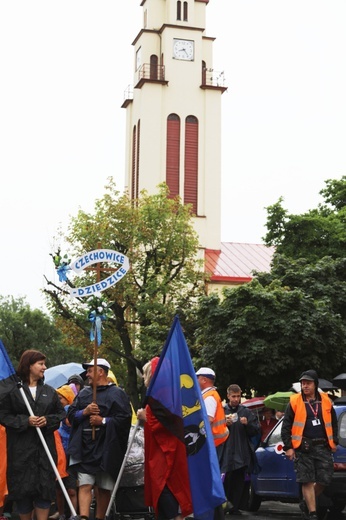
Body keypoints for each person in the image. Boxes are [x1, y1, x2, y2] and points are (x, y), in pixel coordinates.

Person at [0, 350, 66, 520]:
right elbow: (4, 415)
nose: (45, 367)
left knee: (44, 491)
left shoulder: (50, 392)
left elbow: (60, 414)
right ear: (29, 365)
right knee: (23, 493)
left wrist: (47, 420)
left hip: (44, 451)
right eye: (41, 364)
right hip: (21, 452)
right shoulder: (13, 391)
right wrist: (25, 421)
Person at [67, 358, 132, 520]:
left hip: (107, 448)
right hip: (85, 448)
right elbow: (70, 417)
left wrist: (103, 421)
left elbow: (124, 420)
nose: (87, 374)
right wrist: (85, 412)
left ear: (101, 372)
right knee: (85, 484)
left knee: (104, 488)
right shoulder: (83, 394)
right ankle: (83, 517)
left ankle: (100, 518)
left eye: (90, 370)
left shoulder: (118, 394)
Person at [137, 357, 193, 520]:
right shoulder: (163, 394)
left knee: (166, 489)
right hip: (161, 451)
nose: (144, 379)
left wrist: (146, 416)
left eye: (147, 374)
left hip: (165, 454)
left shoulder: (163, 396)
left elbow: (168, 422)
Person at [282, 369, 338, 520]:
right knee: (306, 480)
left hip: (322, 446)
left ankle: (306, 502)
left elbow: (333, 423)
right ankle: (313, 513)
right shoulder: (294, 401)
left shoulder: (326, 400)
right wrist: (288, 447)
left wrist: (335, 441)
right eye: (303, 383)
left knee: (325, 479)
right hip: (303, 446)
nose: (305, 386)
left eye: (308, 383)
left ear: (315, 384)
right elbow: (286, 426)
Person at [196, 367, 229, 520]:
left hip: (213, 444)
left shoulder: (209, 396)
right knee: (212, 480)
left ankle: (216, 511)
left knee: (211, 480)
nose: (195, 380)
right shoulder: (210, 395)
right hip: (216, 443)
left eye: (197, 378)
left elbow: (207, 420)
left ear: (204, 380)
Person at [222, 384, 261, 516]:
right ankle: (224, 505)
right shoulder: (222, 411)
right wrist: (223, 423)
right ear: (228, 396)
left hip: (241, 452)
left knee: (239, 481)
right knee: (226, 479)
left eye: (238, 396)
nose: (236, 399)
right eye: (233, 396)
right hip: (225, 452)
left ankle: (235, 507)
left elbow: (255, 430)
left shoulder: (245, 412)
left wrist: (247, 424)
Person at [50, 385, 78, 520]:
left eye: (61, 398)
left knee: (71, 489)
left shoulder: (70, 411)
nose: (58, 400)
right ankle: (62, 514)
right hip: (59, 457)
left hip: (70, 457)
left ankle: (72, 514)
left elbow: (70, 423)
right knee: (59, 489)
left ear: (68, 399)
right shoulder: (56, 415)